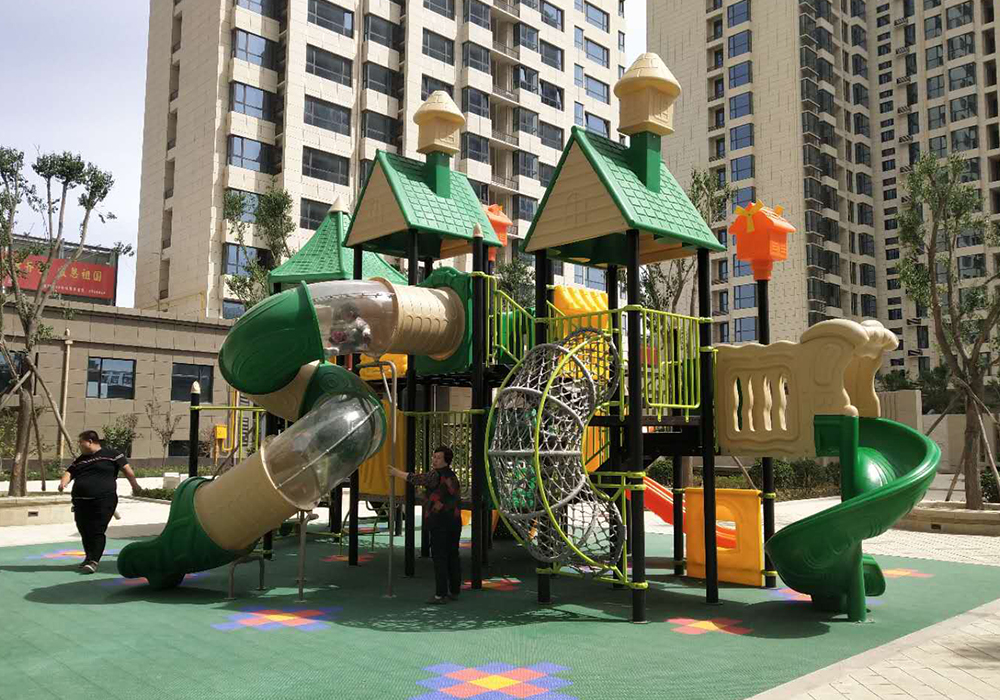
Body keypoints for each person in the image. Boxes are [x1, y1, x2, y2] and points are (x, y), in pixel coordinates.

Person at [58, 431, 143, 574]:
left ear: (90, 441)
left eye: (80, 442)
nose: (79, 445)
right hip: (80, 502)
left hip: (104, 500)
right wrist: (63, 483)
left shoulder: (112, 454)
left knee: (97, 529)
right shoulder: (81, 459)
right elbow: (69, 472)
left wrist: (135, 486)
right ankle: (88, 557)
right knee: (85, 531)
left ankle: (93, 561)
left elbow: (127, 470)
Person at [389, 445, 462, 604]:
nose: (434, 460)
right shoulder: (452, 476)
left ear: (446, 460)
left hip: (439, 521)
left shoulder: (435, 475)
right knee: (452, 555)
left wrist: (396, 473)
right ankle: (454, 590)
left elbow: (417, 478)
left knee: (439, 557)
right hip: (454, 520)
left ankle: (440, 594)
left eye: (438, 458)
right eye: (434, 457)